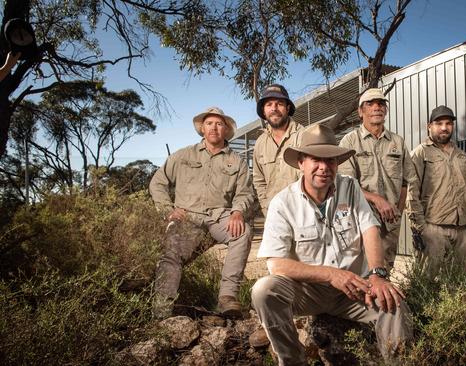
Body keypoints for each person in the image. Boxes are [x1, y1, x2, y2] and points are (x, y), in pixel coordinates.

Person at [251, 124, 413, 365]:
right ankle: (293, 360)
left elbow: (370, 229)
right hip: (307, 291)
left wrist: (378, 274)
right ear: (301, 163)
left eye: (331, 161)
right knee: (264, 291)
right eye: (316, 159)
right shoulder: (282, 203)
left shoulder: (350, 187)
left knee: (394, 303)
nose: (324, 167)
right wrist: (330, 275)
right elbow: (277, 264)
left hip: (353, 289)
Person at [149, 106, 254, 319]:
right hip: (187, 216)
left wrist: (237, 212)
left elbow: (245, 193)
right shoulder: (183, 155)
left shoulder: (237, 161)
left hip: (219, 216)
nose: (214, 128)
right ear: (202, 129)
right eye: (209, 123)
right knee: (171, 252)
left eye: (219, 124)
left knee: (243, 232)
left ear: (226, 129)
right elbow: (158, 182)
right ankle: (161, 310)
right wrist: (167, 210)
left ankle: (227, 298)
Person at [338, 88, 417, 270]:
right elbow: (346, 183)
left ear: (386, 110)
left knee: (384, 269)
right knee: (362, 269)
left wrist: (398, 210)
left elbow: (406, 180)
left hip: (390, 223)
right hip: (360, 220)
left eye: (381, 104)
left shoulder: (397, 142)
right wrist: (377, 200)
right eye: (370, 104)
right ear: (360, 111)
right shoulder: (349, 142)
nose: (376, 107)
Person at [406, 105, 466, 276]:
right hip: (433, 228)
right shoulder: (420, 153)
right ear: (429, 126)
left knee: (461, 281)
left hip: (463, 230)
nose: (444, 127)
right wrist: (421, 228)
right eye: (439, 123)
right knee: (426, 281)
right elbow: (410, 193)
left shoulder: (461, 155)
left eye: (448, 123)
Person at [252, 84, 304, 216]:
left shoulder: (304, 135)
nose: (274, 108)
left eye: (279, 103)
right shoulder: (260, 143)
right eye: (269, 104)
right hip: (272, 213)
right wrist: (265, 207)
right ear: (264, 111)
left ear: (287, 108)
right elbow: (259, 180)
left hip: (301, 212)